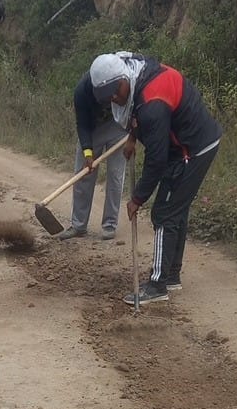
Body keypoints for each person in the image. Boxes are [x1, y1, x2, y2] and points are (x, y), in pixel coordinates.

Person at [88, 52, 221, 304]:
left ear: (122, 78)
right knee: (176, 209)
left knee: (165, 212)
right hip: (185, 145)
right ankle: (171, 275)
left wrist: (137, 198)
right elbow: (137, 110)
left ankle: (158, 284)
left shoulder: (153, 104)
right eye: (108, 97)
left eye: (115, 92)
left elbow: (157, 160)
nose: (114, 98)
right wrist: (132, 138)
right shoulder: (139, 72)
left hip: (193, 148)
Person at [57, 59, 131, 240]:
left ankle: (109, 225)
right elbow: (82, 124)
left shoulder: (120, 79)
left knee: (115, 176)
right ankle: (78, 225)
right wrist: (88, 152)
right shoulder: (81, 92)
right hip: (93, 130)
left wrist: (133, 133)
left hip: (118, 127)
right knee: (83, 175)